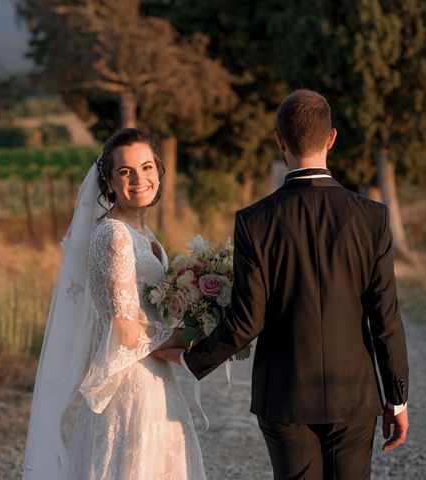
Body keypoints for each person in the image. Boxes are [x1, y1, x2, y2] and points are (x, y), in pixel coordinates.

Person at [155, 89, 409, 479]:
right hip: (354, 395)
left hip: (285, 395)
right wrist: (397, 399)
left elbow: (246, 320)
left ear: (279, 142)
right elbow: (386, 319)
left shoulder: (253, 221)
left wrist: (191, 358)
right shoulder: (371, 217)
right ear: (331, 139)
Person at [22, 128, 206, 480]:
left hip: (155, 378)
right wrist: (188, 337)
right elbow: (124, 329)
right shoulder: (113, 234)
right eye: (126, 172)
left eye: (147, 167)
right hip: (130, 386)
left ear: (159, 172)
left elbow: (148, 308)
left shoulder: (145, 237)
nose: (140, 179)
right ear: (108, 181)